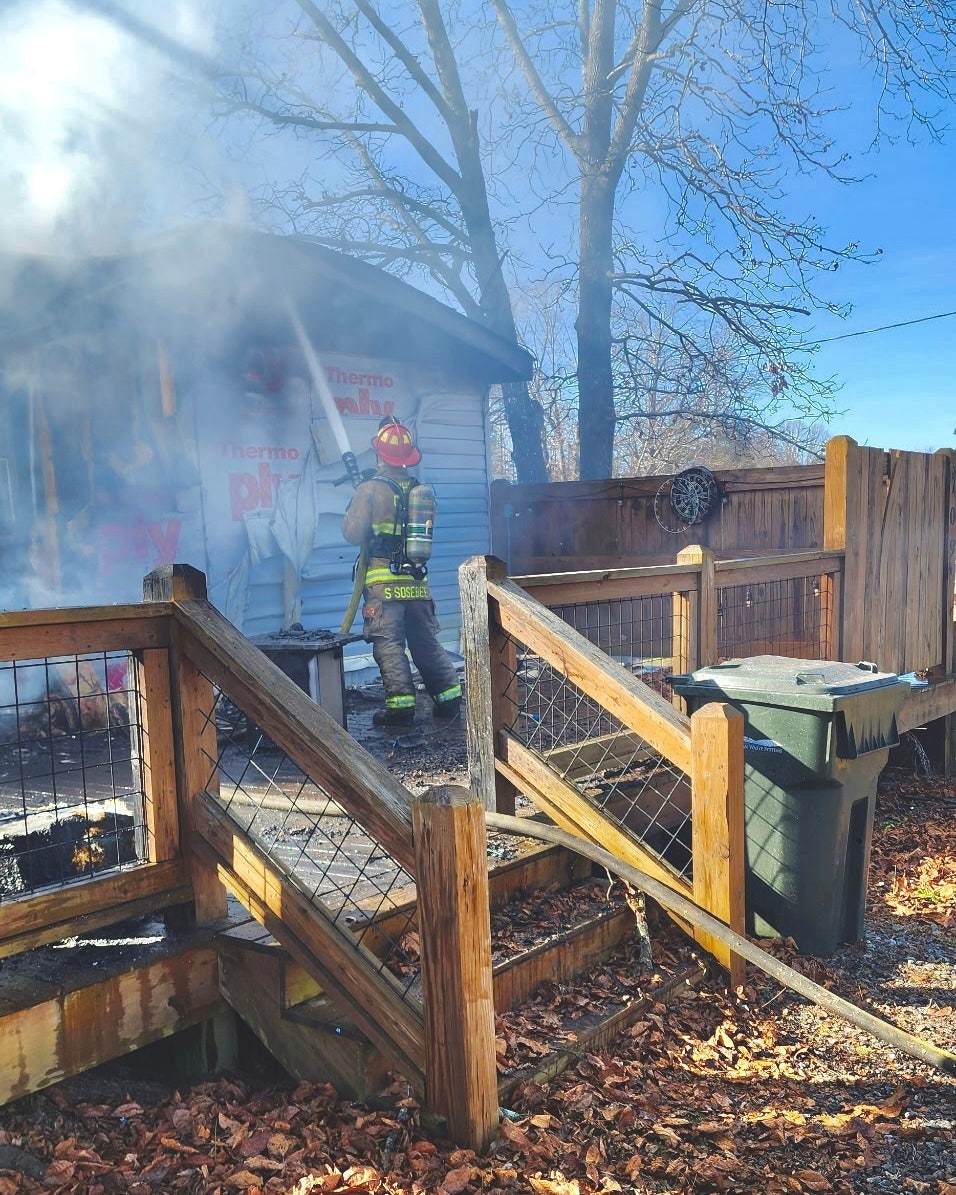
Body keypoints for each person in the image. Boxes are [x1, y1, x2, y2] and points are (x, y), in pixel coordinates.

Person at [342, 418, 463, 729]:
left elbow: (352, 534)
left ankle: (400, 709)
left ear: (379, 455)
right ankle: (449, 701)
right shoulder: (421, 492)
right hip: (418, 584)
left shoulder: (370, 489)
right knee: (426, 643)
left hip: (383, 585)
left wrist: (358, 500)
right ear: (408, 458)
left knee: (389, 644)